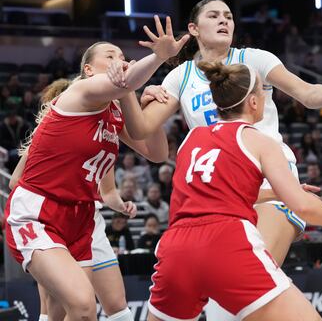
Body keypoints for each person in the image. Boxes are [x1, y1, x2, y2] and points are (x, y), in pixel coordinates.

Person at [108, 0, 322, 321]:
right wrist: (131, 90)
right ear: (193, 28)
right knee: (229, 307)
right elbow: (143, 129)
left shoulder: (254, 58)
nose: (224, 20)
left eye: (229, 16)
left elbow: (305, 93)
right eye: (214, 15)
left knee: (231, 308)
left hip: (268, 175)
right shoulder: (180, 76)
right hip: (219, 189)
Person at [4, 16, 187, 320]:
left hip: (81, 215)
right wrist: (159, 56)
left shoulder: (116, 109)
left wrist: (147, 105)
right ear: (88, 70)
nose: (120, 59)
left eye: (122, 55)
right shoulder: (80, 93)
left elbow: (155, 153)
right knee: (85, 305)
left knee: (61, 313)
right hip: (41, 211)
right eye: (110, 56)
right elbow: (126, 80)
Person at [147, 61, 322, 321]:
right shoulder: (260, 140)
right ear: (252, 102)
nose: (264, 96)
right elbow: (303, 206)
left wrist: (274, 193)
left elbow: (219, 193)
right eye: (262, 91)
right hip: (225, 242)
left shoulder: (190, 140)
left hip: (175, 249)